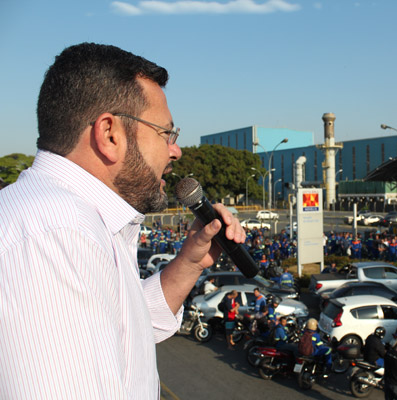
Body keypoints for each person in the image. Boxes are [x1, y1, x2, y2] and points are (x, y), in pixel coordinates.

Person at [0, 42, 246, 398]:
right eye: (166, 133)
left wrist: (190, 262)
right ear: (109, 134)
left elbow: (125, 328)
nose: (175, 150)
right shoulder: (58, 232)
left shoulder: (71, 219)